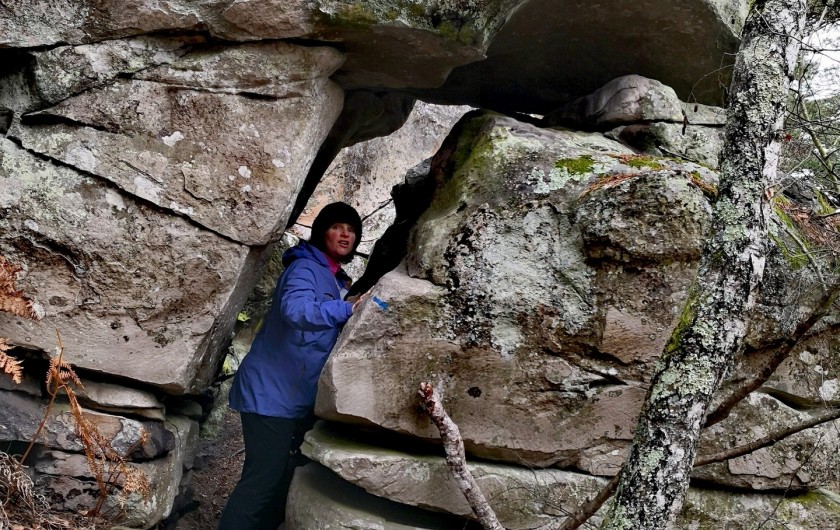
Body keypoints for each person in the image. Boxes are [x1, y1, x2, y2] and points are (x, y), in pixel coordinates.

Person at [218, 202, 365, 530]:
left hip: (288, 397)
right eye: (337, 226)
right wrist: (346, 310)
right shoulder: (305, 269)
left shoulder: (329, 275)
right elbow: (296, 311)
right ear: (321, 231)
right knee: (261, 482)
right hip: (270, 396)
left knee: (279, 480)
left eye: (352, 230)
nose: (345, 234)